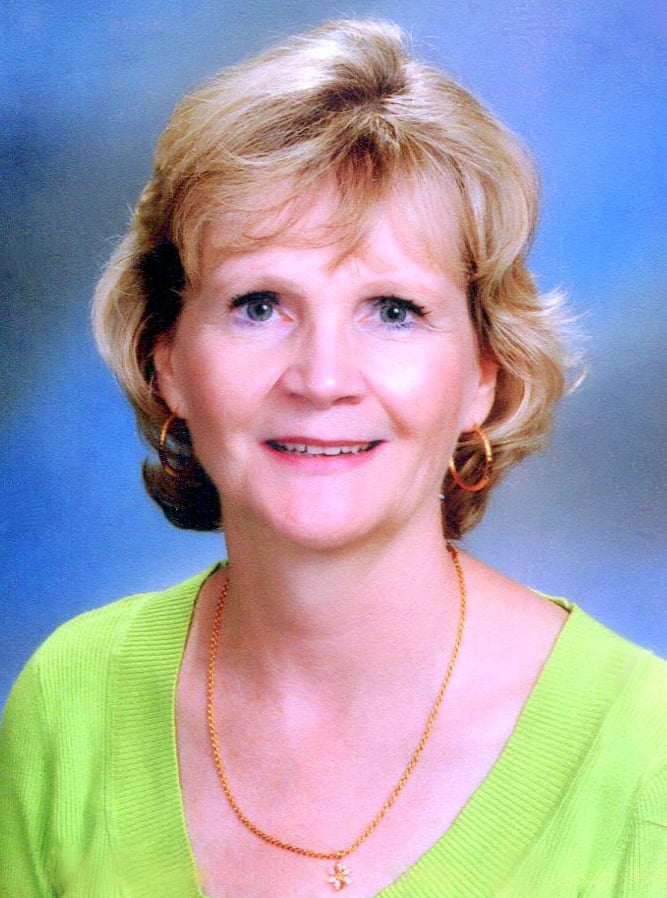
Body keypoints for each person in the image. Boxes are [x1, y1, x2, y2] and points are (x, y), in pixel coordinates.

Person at [1, 18, 665, 898]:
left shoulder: (642, 754)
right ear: (168, 361)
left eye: (391, 310)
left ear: (482, 374)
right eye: (259, 304)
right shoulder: (69, 704)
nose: (321, 378)